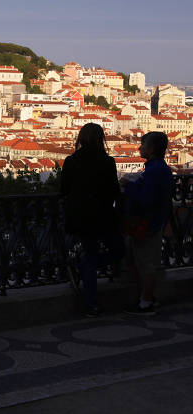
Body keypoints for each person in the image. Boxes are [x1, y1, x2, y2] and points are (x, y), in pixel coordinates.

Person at [60, 123, 123, 317]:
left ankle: (91, 302)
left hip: (79, 216)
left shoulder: (71, 161)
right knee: (118, 251)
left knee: (90, 256)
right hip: (102, 216)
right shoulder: (108, 162)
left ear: (81, 138)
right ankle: (90, 294)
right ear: (100, 139)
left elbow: (63, 190)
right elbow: (114, 191)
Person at [121, 131, 173, 316]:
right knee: (143, 262)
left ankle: (146, 303)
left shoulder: (154, 171)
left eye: (142, 145)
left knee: (146, 265)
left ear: (150, 149)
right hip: (153, 222)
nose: (139, 147)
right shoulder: (159, 168)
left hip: (147, 224)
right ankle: (148, 297)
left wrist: (128, 185)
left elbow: (147, 199)